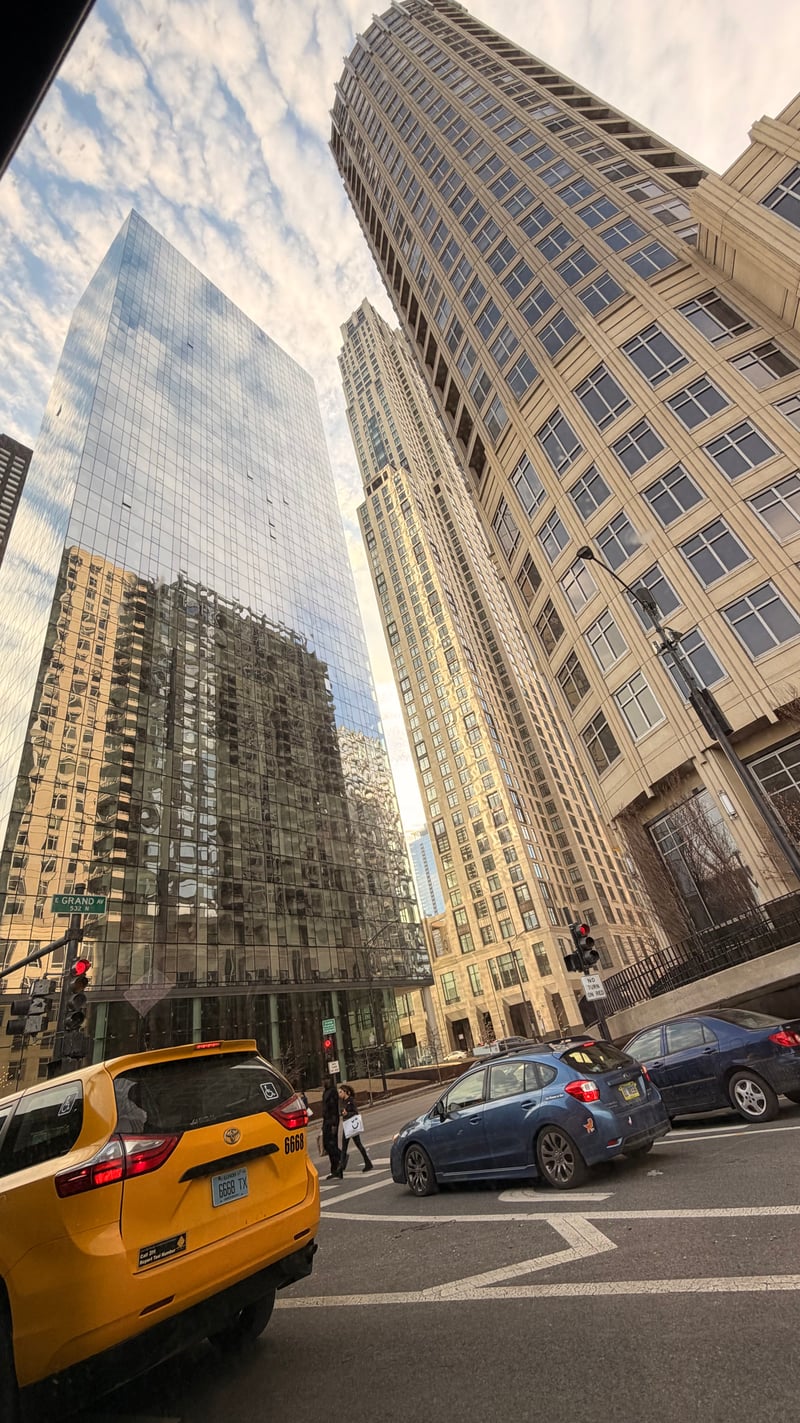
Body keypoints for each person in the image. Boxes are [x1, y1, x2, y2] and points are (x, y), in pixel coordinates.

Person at [336, 1083, 373, 1177]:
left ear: (345, 1092)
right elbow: (341, 1111)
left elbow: (355, 1113)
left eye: (340, 1092)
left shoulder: (351, 1100)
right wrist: (342, 1113)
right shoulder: (342, 1101)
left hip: (352, 1125)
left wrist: (347, 1114)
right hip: (346, 1126)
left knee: (358, 1144)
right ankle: (341, 1168)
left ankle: (367, 1163)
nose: (339, 1094)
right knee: (344, 1147)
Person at [321, 1082, 341, 1179]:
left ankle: (336, 1167)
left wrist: (334, 1124)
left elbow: (334, 1109)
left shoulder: (332, 1092)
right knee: (327, 1145)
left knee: (331, 1144)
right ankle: (339, 1160)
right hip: (327, 1121)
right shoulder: (326, 1092)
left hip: (331, 1121)